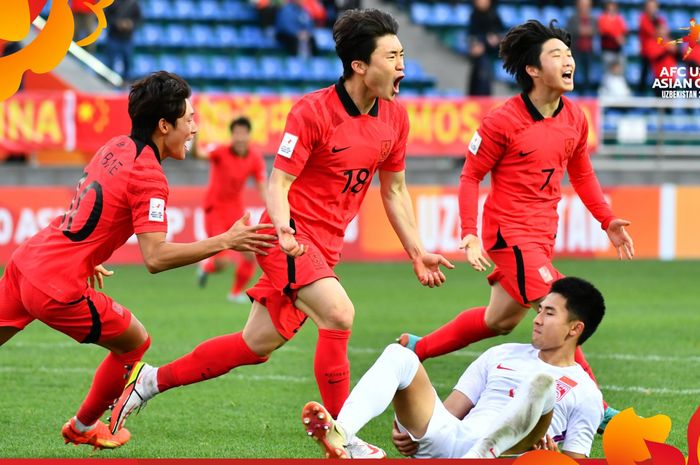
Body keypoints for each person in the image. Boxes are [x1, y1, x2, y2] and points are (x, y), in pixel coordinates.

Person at [108, 9, 453, 458]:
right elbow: (279, 182)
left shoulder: (395, 120)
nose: (403, 65)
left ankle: (149, 380)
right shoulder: (313, 111)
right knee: (339, 314)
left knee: (252, 346)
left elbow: (396, 191)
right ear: (360, 66)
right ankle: (342, 435)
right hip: (286, 239)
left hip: (324, 250)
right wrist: (286, 230)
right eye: (392, 56)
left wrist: (417, 251)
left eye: (403, 54)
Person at [0, 71, 276, 450]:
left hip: (28, 260)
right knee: (135, 343)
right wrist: (226, 240)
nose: (194, 128)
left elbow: (86, 211)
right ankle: (84, 427)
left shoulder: (115, 145)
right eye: (189, 119)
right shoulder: (150, 175)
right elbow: (156, 257)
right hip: (55, 285)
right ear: (165, 125)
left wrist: (88, 254)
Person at [398, 20, 634, 433]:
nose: (569, 61)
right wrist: (469, 233)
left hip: (543, 233)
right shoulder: (501, 121)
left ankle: (418, 348)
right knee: (563, 301)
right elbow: (470, 175)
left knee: (500, 321)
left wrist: (608, 219)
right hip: (508, 234)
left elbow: (582, 175)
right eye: (557, 55)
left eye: (569, 54)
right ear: (533, 70)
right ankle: (596, 405)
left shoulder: (575, 119)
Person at [303, 277, 605, 459]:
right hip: (456, 441)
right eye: (539, 310)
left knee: (542, 385)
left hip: (508, 456)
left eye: (549, 313)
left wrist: (550, 459)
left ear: (574, 329)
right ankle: (346, 436)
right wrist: (415, 430)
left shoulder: (586, 392)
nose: (537, 319)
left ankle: (483, 454)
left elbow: (574, 459)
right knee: (400, 355)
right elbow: (448, 415)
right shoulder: (500, 354)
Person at [196, 116, 268, 303]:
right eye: (236, 133)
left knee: (252, 254)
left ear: (249, 135)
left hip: (237, 211)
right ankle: (206, 267)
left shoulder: (254, 157)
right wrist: (196, 135)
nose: (240, 137)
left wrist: (275, 208)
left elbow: (262, 187)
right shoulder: (221, 152)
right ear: (232, 135)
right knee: (222, 262)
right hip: (216, 210)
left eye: (243, 133)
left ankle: (235, 293)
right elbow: (199, 155)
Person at [466, 0, 504, 96]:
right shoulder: (474, 16)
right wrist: (478, 43)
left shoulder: (494, 15)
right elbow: (471, 36)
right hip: (479, 57)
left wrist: (495, 39)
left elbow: (501, 34)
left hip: (492, 53)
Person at [566, 0, 596, 96]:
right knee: (572, 71)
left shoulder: (593, 19)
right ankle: (571, 92)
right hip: (575, 49)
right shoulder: (573, 18)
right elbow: (571, 31)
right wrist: (584, 31)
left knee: (587, 72)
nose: (584, 7)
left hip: (588, 50)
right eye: (582, 5)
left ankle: (585, 93)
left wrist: (582, 31)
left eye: (586, 5)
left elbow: (595, 30)